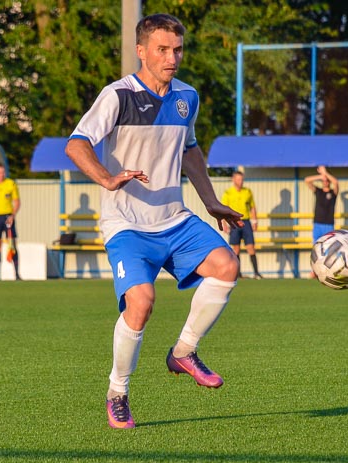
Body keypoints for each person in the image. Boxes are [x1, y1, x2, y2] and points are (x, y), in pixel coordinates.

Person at [64, 13, 243, 430]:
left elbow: (190, 150)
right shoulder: (118, 96)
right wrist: (108, 178)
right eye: (162, 49)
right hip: (126, 223)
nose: (172, 57)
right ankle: (118, 392)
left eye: (177, 49)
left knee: (227, 266)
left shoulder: (187, 97)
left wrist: (211, 201)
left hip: (174, 218)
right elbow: (76, 144)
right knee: (141, 304)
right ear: (141, 51)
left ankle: (184, 352)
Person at [221, 170, 262, 279]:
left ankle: (256, 273)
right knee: (236, 249)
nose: (241, 181)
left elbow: (252, 207)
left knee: (251, 248)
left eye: (242, 179)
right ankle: (238, 274)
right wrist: (224, 223)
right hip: (234, 223)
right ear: (233, 179)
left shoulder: (247, 192)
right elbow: (223, 210)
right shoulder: (228, 193)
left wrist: (255, 221)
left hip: (246, 222)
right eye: (239, 179)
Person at [304, 166, 339, 279]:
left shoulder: (333, 193)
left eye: (326, 180)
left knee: (329, 249)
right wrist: (321, 175)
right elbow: (307, 180)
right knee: (316, 248)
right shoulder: (318, 191)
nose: (324, 182)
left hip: (328, 225)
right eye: (323, 181)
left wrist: (325, 173)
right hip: (317, 224)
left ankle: (329, 270)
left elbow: (336, 182)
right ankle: (314, 270)